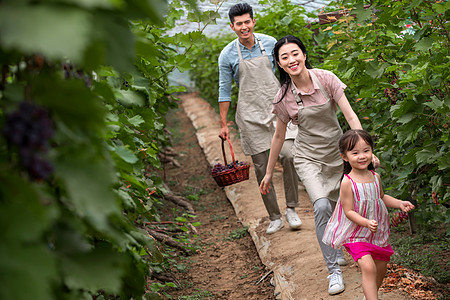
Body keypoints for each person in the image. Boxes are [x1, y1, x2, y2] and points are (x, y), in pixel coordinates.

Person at [259, 35, 381, 295]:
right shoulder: (283, 97)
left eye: (295, 53)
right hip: (308, 158)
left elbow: (349, 115)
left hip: (338, 154)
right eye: (284, 57)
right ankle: (333, 271)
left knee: (341, 205)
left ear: (304, 55)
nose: (291, 60)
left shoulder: (326, 79)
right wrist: (269, 172)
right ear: (279, 65)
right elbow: (279, 136)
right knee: (323, 205)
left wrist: (365, 153)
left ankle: (335, 245)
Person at [218, 3, 301, 234]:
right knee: (262, 167)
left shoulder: (270, 43)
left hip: (276, 110)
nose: (244, 27)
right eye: (239, 24)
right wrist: (223, 124)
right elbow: (224, 91)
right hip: (249, 115)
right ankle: (274, 216)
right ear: (232, 26)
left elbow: (286, 74)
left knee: (289, 156)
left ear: (253, 21)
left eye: (247, 22)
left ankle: (292, 208)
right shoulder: (227, 55)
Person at [322, 129, 415, 300]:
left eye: (366, 150)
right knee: (369, 267)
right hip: (356, 234)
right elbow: (348, 210)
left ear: (372, 151)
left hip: (376, 234)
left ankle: (369, 295)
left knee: (381, 269)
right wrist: (365, 222)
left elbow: (382, 197)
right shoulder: (347, 182)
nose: (362, 156)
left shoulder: (375, 177)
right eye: (355, 152)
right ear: (345, 156)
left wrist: (400, 203)